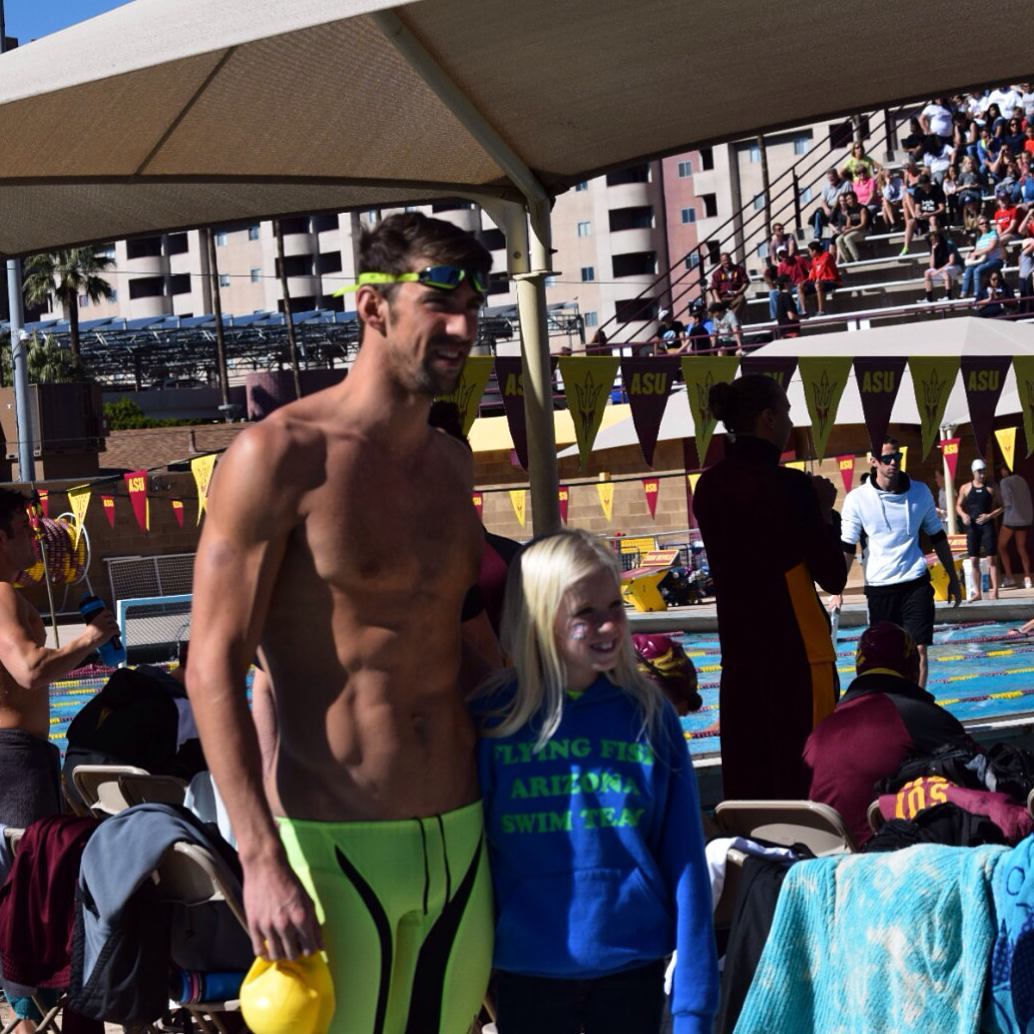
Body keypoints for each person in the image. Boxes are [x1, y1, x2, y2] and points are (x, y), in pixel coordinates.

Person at [186, 212, 497, 1033]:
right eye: (440, 302)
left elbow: (462, 646)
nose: (463, 328)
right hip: (331, 845)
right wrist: (258, 859)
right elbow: (211, 664)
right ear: (373, 306)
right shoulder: (277, 456)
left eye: (474, 306)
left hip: (461, 836)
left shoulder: (450, 465)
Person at [474, 530, 718, 1034]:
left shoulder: (648, 716)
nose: (610, 624)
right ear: (539, 617)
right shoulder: (494, 720)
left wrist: (694, 1003)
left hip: (632, 966)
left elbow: (685, 860)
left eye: (615, 606)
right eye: (586, 612)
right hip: (525, 969)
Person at [693, 376, 846, 799]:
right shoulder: (790, 487)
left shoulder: (708, 487)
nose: (791, 422)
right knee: (807, 783)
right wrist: (823, 512)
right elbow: (833, 575)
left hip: (740, 654)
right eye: (787, 412)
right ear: (768, 418)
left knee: (751, 783)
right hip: (798, 654)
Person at [0, 489, 119, 829]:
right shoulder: (2, 594)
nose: (34, 534)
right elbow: (30, 669)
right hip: (16, 757)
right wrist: (91, 637)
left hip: (15, 756)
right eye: (24, 527)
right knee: (33, 860)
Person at [804, 621, 974, 848]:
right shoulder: (920, 716)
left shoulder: (823, 727)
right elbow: (983, 772)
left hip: (823, 854)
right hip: (881, 856)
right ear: (913, 668)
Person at [841, 437, 962, 687]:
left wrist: (953, 576)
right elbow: (847, 546)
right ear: (873, 461)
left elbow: (938, 537)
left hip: (915, 582)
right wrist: (836, 589)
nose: (893, 463)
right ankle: (887, 704)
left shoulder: (920, 492)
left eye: (897, 457)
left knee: (919, 650)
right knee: (881, 656)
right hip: (880, 587)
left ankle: (917, 703)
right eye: (887, 458)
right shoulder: (857, 499)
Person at [956, 458, 1003, 600]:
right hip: (973, 528)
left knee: (992, 560)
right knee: (974, 560)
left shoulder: (991, 487)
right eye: (979, 472)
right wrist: (963, 515)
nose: (982, 475)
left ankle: (995, 591)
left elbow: (1003, 506)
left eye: (984, 471)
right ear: (973, 472)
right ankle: (977, 592)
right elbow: (958, 506)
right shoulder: (965, 488)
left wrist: (989, 516)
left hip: (987, 526)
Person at [998, 462, 1033, 589]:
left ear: (1005, 470)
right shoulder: (1022, 479)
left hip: (1011, 519)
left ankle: (1009, 577)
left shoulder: (1004, 482)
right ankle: (1027, 578)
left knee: (1001, 546)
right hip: (1024, 519)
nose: (1001, 472)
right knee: (1021, 548)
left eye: (1002, 469)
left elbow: (1007, 502)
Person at [961, 216, 1005, 300]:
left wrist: (975, 253)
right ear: (979, 226)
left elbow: (991, 247)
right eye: (982, 223)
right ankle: (963, 293)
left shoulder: (993, 233)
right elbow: (977, 250)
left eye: (986, 223)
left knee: (978, 270)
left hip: (995, 260)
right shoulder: (979, 237)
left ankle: (977, 294)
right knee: (969, 269)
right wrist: (972, 255)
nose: (985, 225)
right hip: (983, 261)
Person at [921, 230, 963, 303]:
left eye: (935, 239)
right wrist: (933, 251)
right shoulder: (933, 247)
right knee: (927, 272)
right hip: (941, 268)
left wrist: (938, 271)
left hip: (956, 266)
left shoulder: (948, 244)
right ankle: (929, 298)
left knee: (945, 271)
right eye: (932, 240)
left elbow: (951, 262)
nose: (934, 241)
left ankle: (948, 296)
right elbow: (932, 266)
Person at [811, 167, 852, 240]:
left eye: (832, 178)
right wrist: (826, 208)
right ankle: (817, 236)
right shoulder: (826, 187)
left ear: (837, 176)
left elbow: (849, 198)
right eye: (829, 179)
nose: (831, 180)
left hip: (841, 206)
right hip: (829, 207)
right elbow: (823, 201)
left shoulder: (846, 184)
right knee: (818, 213)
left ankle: (837, 231)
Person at [801, 240, 840, 315]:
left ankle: (821, 311)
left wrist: (817, 280)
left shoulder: (827, 255)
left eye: (809, 251)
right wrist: (806, 281)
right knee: (800, 286)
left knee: (818, 284)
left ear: (814, 251)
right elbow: (812, 274)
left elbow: (822, 267)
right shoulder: (814, 260)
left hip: (832, 281)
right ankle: (804, 311)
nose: (809, 253)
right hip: (820, 282)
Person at [831, 190, 869, 264]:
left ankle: (857, 258)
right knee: (838, 240)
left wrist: (851, 229)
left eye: (849, 199)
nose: (848, 201)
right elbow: (848, 225)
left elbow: (863, 225)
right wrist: (844, 228)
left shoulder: (862, 208)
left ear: (855, 198)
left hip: (864, 230)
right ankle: (847, 260)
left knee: (847, 238)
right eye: (847, 200)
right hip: (853, 230)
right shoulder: (849, 211)